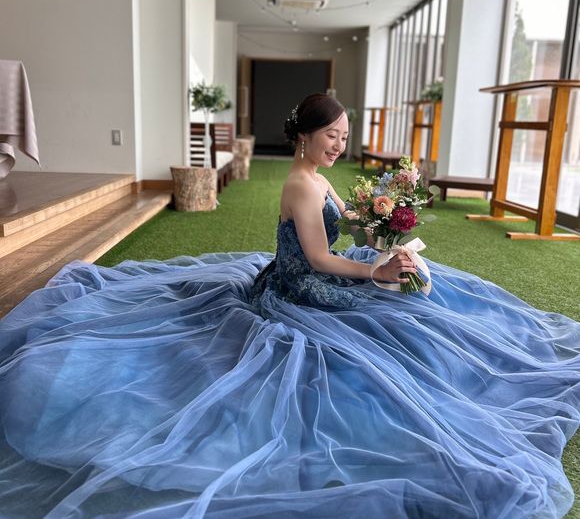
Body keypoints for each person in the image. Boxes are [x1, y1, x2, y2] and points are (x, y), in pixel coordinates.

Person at [0, 93, 578, 519]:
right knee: (387, 314)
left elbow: (350, 223)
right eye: (332, 136)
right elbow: (320, 260)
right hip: (303, 283)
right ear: (305, 135)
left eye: (345, 137)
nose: (339, 145)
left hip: (320, 264)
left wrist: (387, 223)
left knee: (421, 291)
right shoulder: (301, 185)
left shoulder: (318, 178)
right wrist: (374, 271)